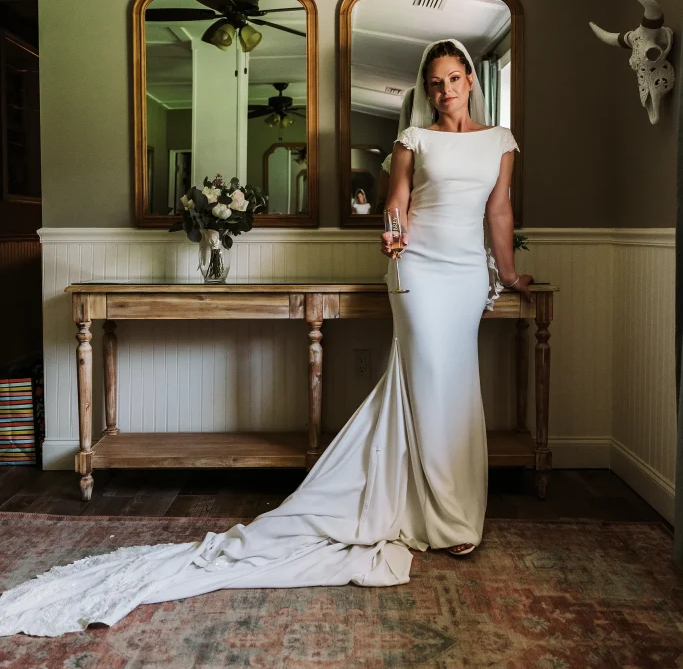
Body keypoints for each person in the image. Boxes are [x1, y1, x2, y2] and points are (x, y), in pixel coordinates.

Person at [0, 38, 533, 637]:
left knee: (457, 387)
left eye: (454, 79)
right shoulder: (414, 139)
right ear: (426, 87)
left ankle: (451, 510)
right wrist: (390, 237)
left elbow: (500, 212)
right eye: (435, 82)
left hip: (466, 275)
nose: (445, 91)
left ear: (470, 80)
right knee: (431, 381)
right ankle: (444, 517)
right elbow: (397, 206)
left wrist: (509, 274)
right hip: (418, 270)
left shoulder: (499, 141)